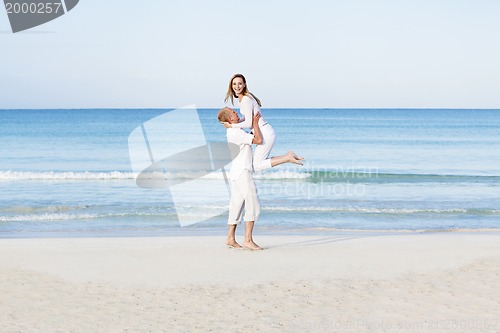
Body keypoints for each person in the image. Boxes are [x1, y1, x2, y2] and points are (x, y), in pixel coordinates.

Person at [222, 73, 304, 170]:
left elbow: (249, 123)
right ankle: (287, 156)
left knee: (257, 165)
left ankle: (287, 157)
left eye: (240, 83)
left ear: (244, 84)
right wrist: (237, 122)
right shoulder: (244, 99)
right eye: (234, 84)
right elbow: (247, 117)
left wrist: (231, 126)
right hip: (264, 131)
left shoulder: (245, 99)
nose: (237, 86)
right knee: (260, 162)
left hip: (264, 133)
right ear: (231, 86)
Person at [218, 107, 263, 250]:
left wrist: (248, 119)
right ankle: (248, 240)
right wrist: (255, 122)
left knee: (237, 205)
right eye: (234, 113)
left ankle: (230, 238)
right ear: (230, 119)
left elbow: (244, 123)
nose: (237, 113)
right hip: (243, 171)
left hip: (236, 172)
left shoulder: (232, 131)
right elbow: (258, 140)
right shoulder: (236, 133)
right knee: (253, 204)